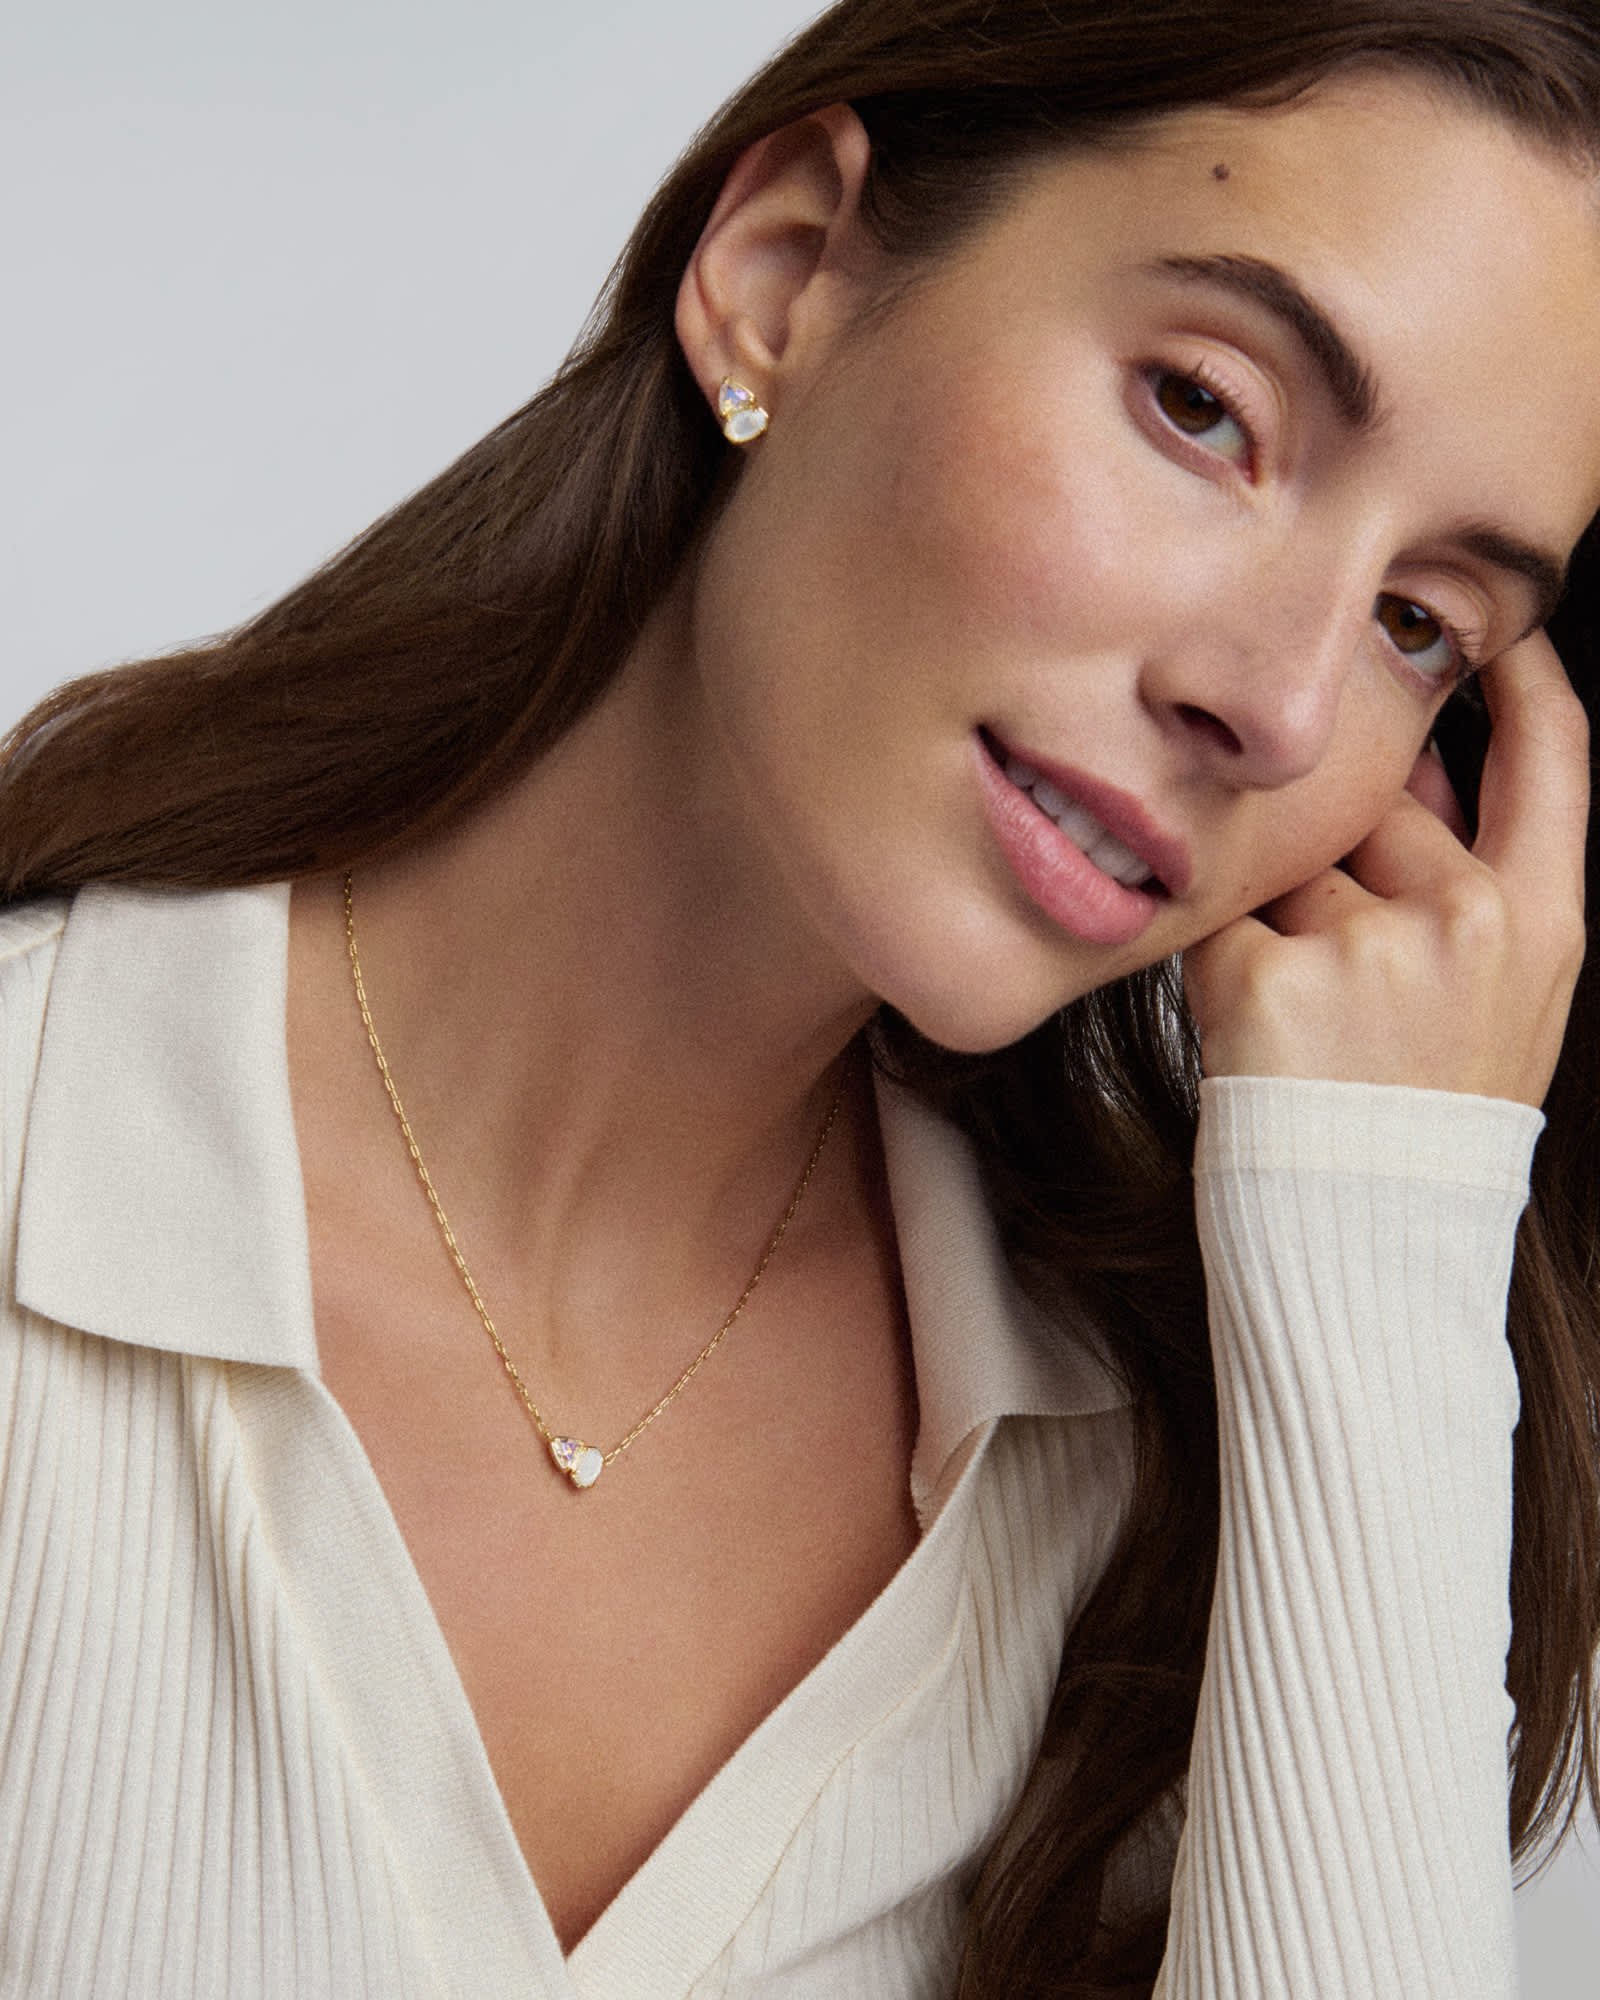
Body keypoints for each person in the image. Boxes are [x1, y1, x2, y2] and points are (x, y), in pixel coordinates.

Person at [1, 1, 1598, 1994]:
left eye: (1416, 623)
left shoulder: (1169, 1500)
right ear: (782, 279)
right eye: (1203, 410)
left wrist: (1378, 1225)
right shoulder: (40, 1164)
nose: (1271, 704)